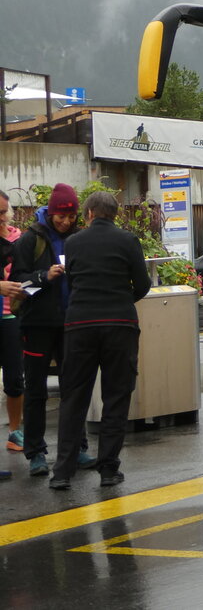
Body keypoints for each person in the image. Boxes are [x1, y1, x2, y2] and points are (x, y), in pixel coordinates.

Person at [49, 191, 151, 489]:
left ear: (89, 213)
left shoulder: (73, 242)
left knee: (74, 397)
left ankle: (62, 473)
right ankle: (108, 470)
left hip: (80, 325)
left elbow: (74, 280)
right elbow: (142, 284)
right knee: (116, 397)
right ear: (115, 215)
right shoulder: (128, 241)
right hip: (120, 325)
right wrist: (121, 301)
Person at [10, 183, 95, 477]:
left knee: (74, 389)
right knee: (36, 391)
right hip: (37, 325)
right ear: (52, 211)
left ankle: (78, 448)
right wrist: (43, 276)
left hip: (72, 324)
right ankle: (35, 453)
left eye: (71, 217)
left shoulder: (79, 239)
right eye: (61, 216)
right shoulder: (29, 240)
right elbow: (19, 287)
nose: (66, 222)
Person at [0, 190, 26, 468]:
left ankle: (14, 432)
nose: (3, 217)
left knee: (15, 379)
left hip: (11, 317)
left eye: (5, 211)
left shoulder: (18, 238)